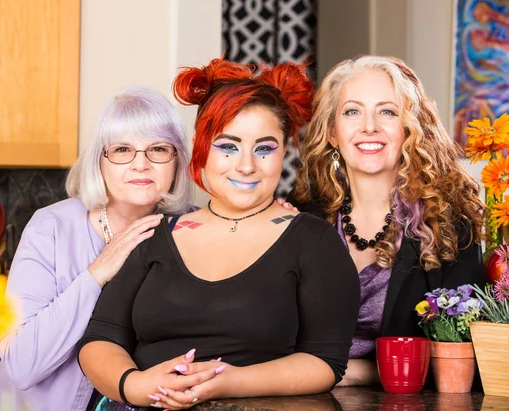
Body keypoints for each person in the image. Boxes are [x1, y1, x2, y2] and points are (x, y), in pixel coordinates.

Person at [77, 58, 361, 411]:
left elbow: (325, 361)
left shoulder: (315, 243)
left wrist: (225, 381)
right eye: (228, 146)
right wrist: (136, 385)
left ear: (284, 151)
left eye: (264, 148)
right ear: (201, 147)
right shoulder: (154, 235)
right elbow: (100, 339)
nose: (246, 165)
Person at [0, 87, 194, 411]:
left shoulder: (194, 229)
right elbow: (21, 365)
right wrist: (97, 273)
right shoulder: (50, 228)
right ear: (99, 161)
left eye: (158, 149)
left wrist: (274, 217)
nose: (141, 164)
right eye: (123, 149)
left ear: (177, 161)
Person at [288, 55, 487, 386]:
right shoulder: (300, 218)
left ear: (409, 130)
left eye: (387, 112)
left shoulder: (451, 225)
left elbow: (462, 362)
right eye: (352, 111)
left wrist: (352, 373)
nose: (369, 126)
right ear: (333, 133)